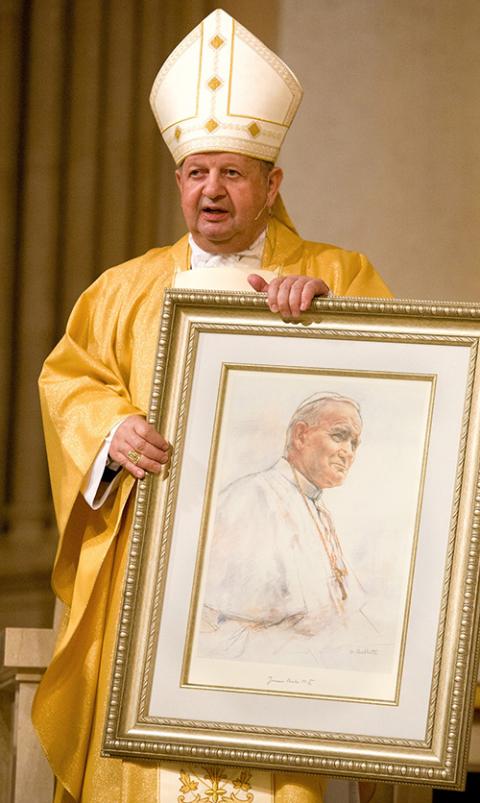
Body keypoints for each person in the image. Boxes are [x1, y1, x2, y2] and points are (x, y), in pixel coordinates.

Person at [32, 8, 391, 803]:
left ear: (273, 184)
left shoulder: (335, 273)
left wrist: (335, 319)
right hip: (154, 591)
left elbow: (396, 407)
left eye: (233, 172)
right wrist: (110, 432)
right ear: (178, 182)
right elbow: (72, 381)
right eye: (197, 172)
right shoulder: (121, 290)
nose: (213, 190)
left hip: (286, 605)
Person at [199, 393, 376, 667]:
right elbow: (217, 626)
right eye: (339, 436)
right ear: (301, 435)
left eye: (354, 443)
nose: (349, 452)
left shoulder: (317, 507)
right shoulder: (251, 497)